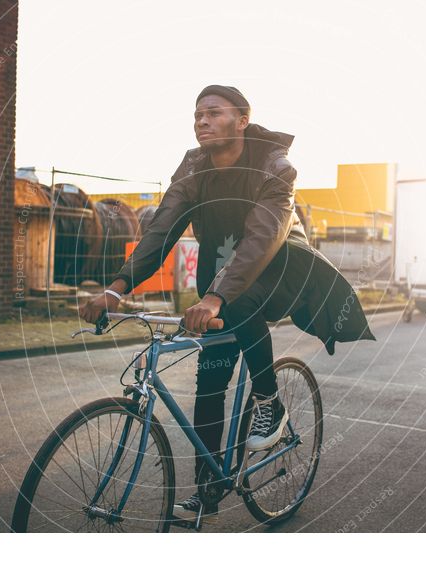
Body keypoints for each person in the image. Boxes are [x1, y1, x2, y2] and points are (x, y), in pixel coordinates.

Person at [81, 85, 375, 522]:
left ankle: (269, 401)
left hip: (275, 271)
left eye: (214, 113)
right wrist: (118, 287)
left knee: (239, 305)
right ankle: (209, 488)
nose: (202, 121)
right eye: (197, 114)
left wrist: (217, 297)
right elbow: (162, 229)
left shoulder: (275, 167)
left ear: (241, 120)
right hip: (217, 283)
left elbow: (262, 238)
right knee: (210, 384)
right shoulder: (194, 167)